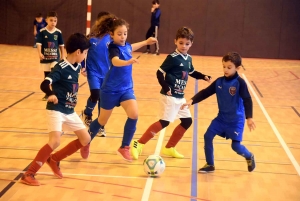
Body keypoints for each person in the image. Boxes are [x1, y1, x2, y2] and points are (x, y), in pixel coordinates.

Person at [80, 18, 157, 161]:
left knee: (134, 114)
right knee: (102, 121)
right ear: (112, 35)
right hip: (110, 90)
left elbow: (130, 47)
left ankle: (124, 147)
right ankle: (86, 141)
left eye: (125, 33)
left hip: (126, 89)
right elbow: (115, 61)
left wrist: (146, 42)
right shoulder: (112, 48)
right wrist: (128, 62)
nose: (123, 37)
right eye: (119, 34)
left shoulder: (125, 45)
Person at [20, 33, 91, 186]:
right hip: (56, 109)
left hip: (69, 111)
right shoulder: (61, 67)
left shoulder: (77, 66)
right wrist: (51, 94)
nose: (85, 56)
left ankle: (54, 160)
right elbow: (44, 84)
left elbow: (78, 71)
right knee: (55, 141)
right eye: (85, 53)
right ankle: (29, 173)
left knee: (85, 139)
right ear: (78, 52)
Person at [131, 27, 211, 159]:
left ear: (191, 43)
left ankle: (169, 147)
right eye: (181, 43)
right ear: (175, 42)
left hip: (180, 97)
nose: (184, 46)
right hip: (169, 96)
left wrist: (203, 76)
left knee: (187, 121)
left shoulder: (188, 58)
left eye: (187, 44)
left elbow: (191, 72)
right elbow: (159, 73)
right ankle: (138, 143)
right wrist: (166, 86)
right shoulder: (172, 58)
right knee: (164, 122)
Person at [181, 52, 256, 173]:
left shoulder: (240, 83)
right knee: (207, 136)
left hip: (236, 120)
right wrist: (191, 101)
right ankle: (210, 164)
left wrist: (249, 117)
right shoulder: (219, 82)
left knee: (235, 146)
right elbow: (206, 92)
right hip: (221, 118)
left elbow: (247, 99)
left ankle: (249, 156)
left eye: (229, 67)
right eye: (224, 66)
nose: (225, 69)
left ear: (238, 68)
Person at [81, 12, 116, 138]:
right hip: (93, 72)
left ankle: (101, 126)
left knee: (103, 99)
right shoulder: (91, 38)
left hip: (106, 74)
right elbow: (82, 51)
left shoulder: (112, 40)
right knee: (95, 94)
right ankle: (87, 113)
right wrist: (83, 66)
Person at [36, 11, 65, 101]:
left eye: (55, 21)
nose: (53, 22)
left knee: (54, 74)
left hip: (55, 58)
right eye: (51, 20)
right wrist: (40, 53)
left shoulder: (58, 32)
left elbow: (61, 45)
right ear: (46, 20)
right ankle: (48, 93)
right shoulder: (42, 32)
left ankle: (55, 92)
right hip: (45, 58)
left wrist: (63, 56)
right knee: (47, 75)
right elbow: (39, 44)